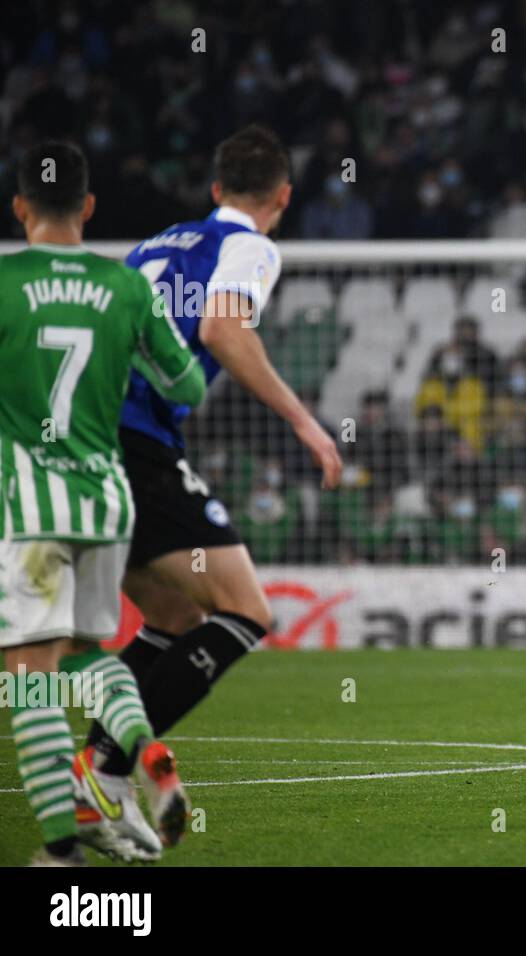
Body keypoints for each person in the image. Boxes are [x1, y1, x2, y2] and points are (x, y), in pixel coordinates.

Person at [78, 126, 343, 856]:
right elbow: (225, 328)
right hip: (139, 441)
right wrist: (306, 425)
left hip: (85, 440)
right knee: (246, 611)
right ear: (283, 198)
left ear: (215, 188)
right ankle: (104, 769)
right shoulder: (252, 247)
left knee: (167, 614)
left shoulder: (157, 244)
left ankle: (99, 774)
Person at [1, 141, 204, 864]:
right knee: (90, 652)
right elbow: (188, 386)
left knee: (27, 680)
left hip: (31, 508)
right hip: (107, 501)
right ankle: (148, 756)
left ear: (20, 207)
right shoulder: (125, 289)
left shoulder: (3, 282)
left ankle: (61, 853)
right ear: (88, 207)